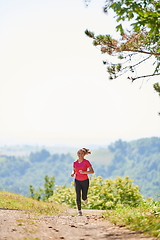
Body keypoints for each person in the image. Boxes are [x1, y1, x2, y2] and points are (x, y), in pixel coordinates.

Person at [71, 147, 94, 216]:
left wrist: (84, 172)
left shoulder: (86, 162)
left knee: (83, 196)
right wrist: (73, 173)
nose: (80, 155)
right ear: (77, 154)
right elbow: (74, 170)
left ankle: (85, 199)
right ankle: (79, 210)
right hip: (77, 180)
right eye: (79, 153)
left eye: (82, 153)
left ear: (84, 154)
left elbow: (92, 171)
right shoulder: (75, 162)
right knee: (78, 195)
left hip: (85, 181)